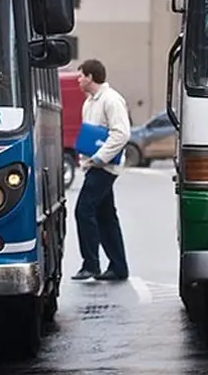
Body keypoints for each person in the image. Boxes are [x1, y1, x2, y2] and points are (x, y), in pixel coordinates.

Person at [72, 59, 131, 281]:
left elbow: (122, 133)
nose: (78, 80)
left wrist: (100, 157)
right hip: (93, 166)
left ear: (90, 77)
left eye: (80, 76)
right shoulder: (89, 102)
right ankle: (118, 267)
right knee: (105, 216)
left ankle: (91, 265)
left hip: (104, 166)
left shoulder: (111, 100)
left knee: (83, 210)